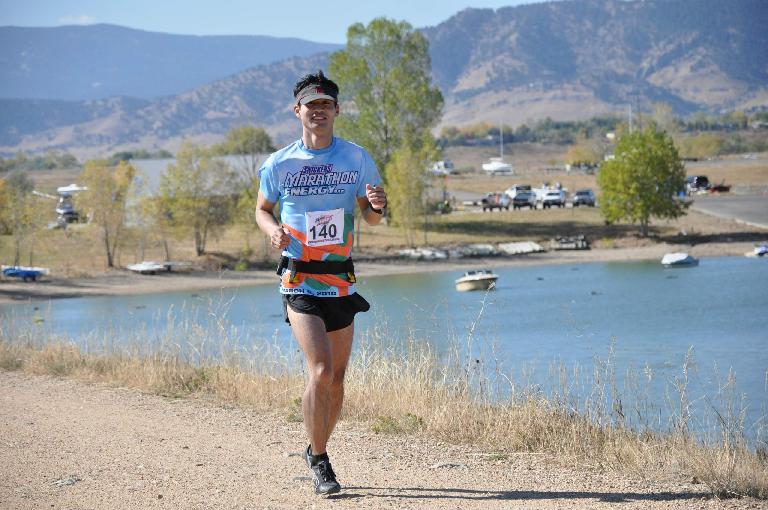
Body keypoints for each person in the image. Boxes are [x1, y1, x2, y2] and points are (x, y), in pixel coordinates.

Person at [254, 70, 387, 496]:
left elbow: (369, 213)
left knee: (338, 377)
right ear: (298, 111)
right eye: (311, 106)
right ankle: (321, 461)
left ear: (336, 110)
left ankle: (317, 448)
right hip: (299, 279)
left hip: (341, 277)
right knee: (321, 369)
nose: (318, 112)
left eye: (325, 105)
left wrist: (379, 208)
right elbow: (261, 209)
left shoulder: (356, 157)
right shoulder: (279, 163)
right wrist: (271, 230)